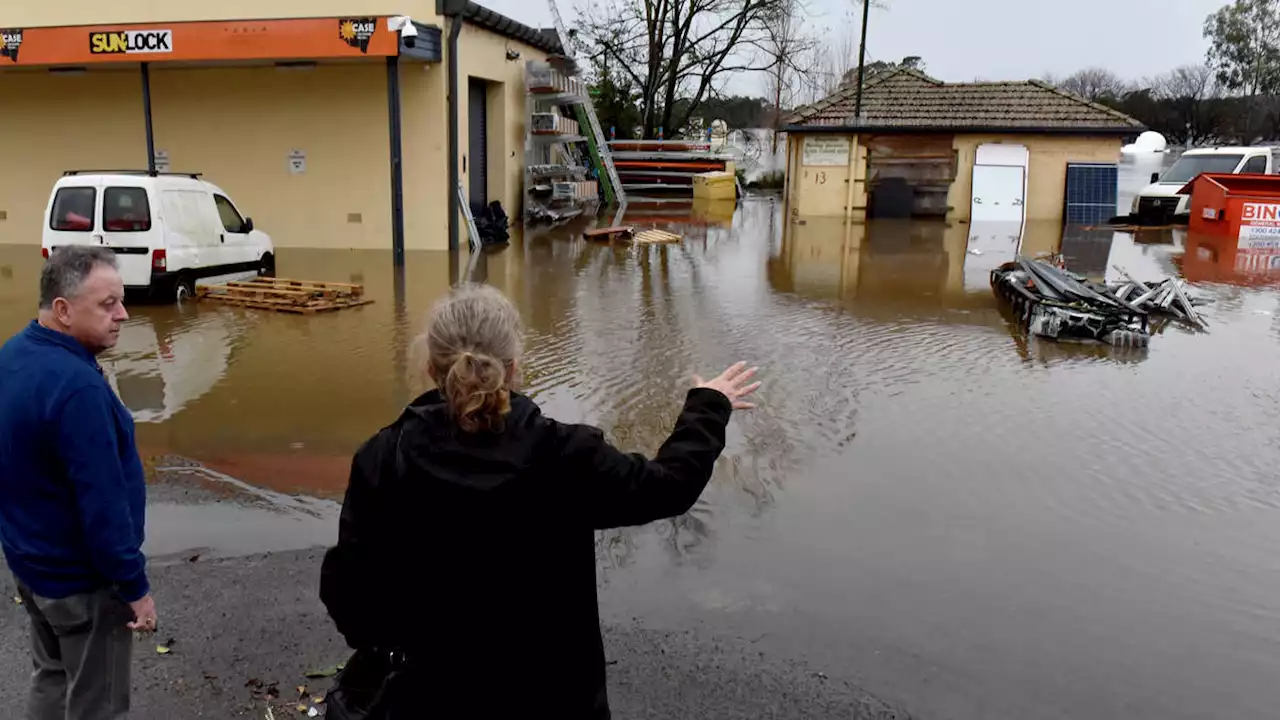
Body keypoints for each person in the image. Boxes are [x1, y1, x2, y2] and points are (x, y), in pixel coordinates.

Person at [320, 283, 759, 719]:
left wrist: (404, 642)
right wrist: (707, 407)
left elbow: (349, 595)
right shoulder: (566, 456)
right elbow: (669, 486)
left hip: (428, 699)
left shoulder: (384, 458)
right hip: (554, 700)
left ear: (431, 368)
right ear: (513, 368)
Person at [0, 246, 157, 720]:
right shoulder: (77, 388)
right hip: (83, 584)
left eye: (121, 300)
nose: (123, 315)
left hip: (33, 566)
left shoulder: (15, 353)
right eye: (107, 304)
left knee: (51, 678)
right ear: (63, 310)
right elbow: (103, 504)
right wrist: (134, 588)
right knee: (98, 704)